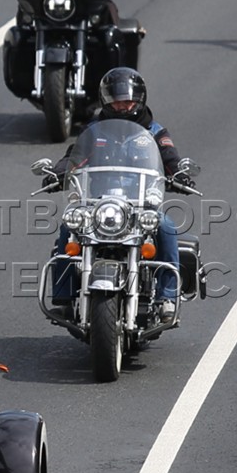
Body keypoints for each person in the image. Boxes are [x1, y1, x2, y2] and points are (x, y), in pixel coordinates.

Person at [47, 68, 187, 319]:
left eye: (129, 100)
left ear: (140, 99)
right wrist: (58, 172)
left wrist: (180, 173)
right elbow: (74, 157)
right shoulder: (94, 130)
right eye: (118, 101)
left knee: (166, 226)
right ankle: (64, 296)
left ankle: (167, 297)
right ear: (106, 100)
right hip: (98, 203)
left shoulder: (155, 131)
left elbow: (170, 158)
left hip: (141, 204)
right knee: (69, 225)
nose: (124, 106)